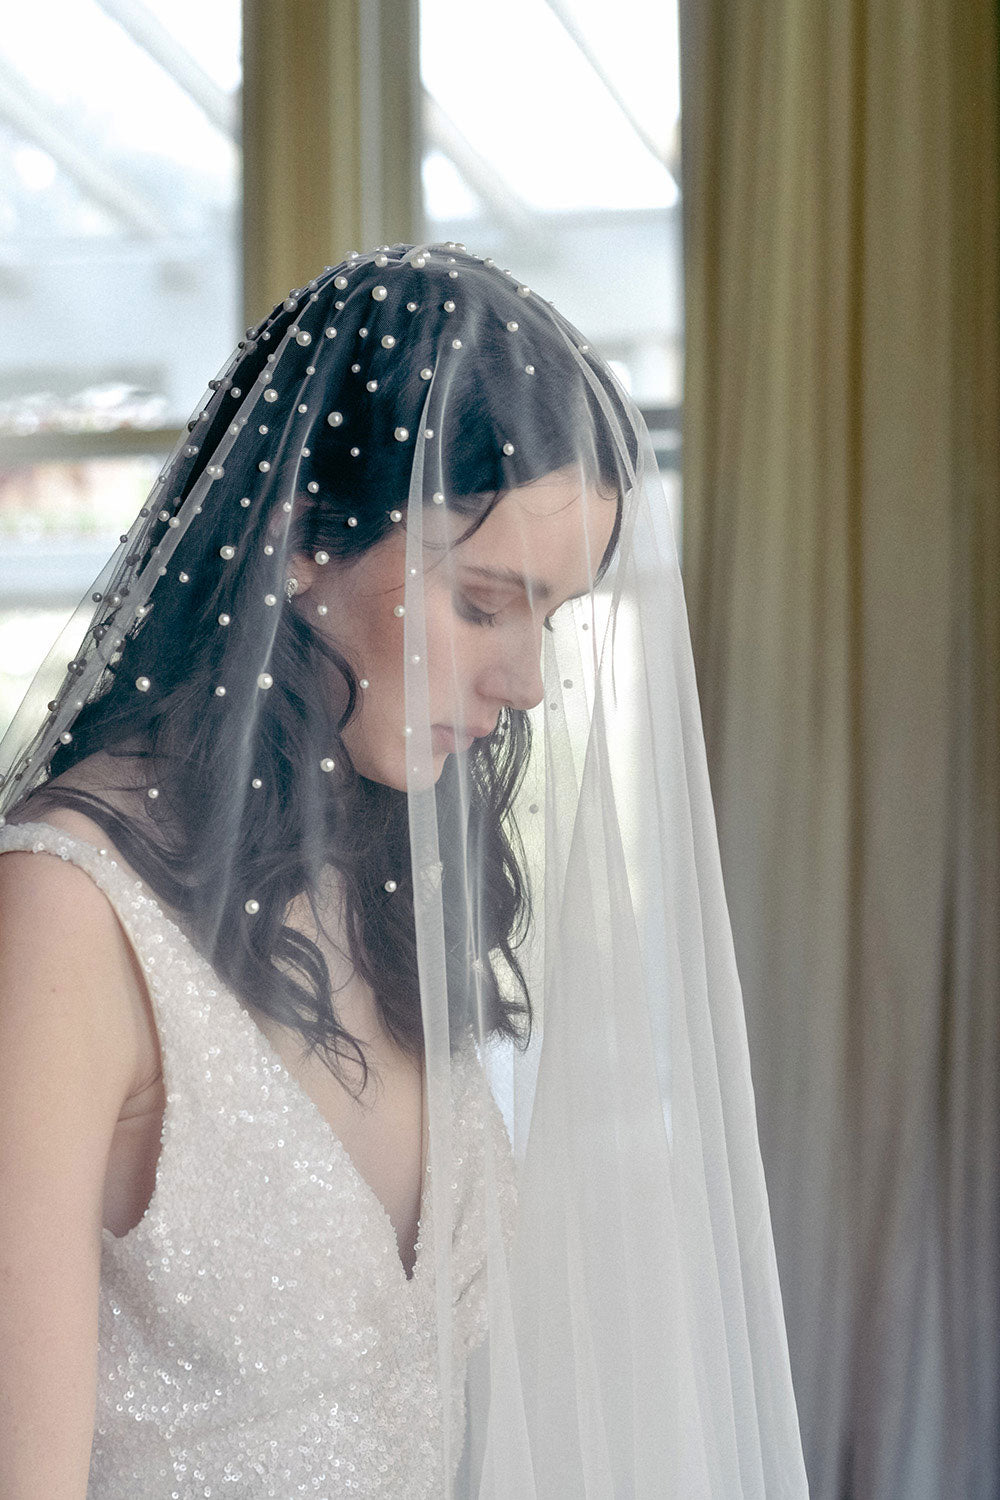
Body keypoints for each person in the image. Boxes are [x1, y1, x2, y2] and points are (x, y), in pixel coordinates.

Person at [0, 244, 808, 1497]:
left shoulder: (385, 900)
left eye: (551, 618)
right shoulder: (65, 919)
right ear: (300, 542)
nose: (529, 681)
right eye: (486, 603)